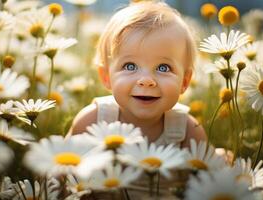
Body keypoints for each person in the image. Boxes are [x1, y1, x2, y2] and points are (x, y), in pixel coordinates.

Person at [67, 1, 206, 199]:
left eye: (163, 68)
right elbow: (60, 176)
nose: (146, 80)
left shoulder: (188, 132)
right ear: (106, 76)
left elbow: (205, 185)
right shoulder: (92, 122)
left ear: (185, 81)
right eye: (130, 66)